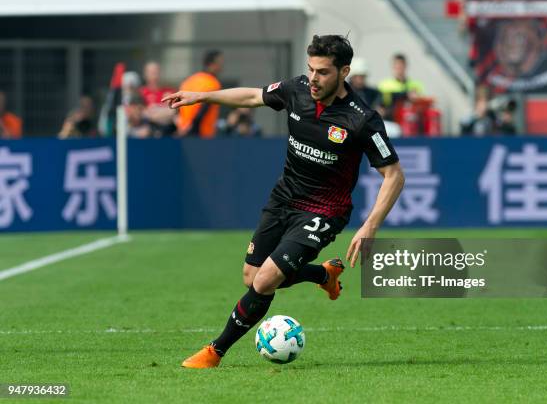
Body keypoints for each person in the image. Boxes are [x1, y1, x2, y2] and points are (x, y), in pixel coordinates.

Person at [163, 34, 405, 369]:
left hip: (324, 211)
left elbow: (393, 174)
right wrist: (202, 97)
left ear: (344, 72)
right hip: (283, 199)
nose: (314, 79)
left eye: (322, 72)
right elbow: (252, 96)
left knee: (264, 282)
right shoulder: (297, 90)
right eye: (311, 69)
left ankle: (214, 352)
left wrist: (370, 226)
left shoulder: (361, 119)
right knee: (252, 276)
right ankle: (321, 275)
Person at [176, 50, 223, 138]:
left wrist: (183, 129)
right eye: (219, 63)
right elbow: (203, 109)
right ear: (211, 64)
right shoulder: (212, 83)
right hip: (202, 133)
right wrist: (193, 129)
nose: (221, 67)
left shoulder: (189, 81)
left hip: (183, 132)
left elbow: (177, 106)